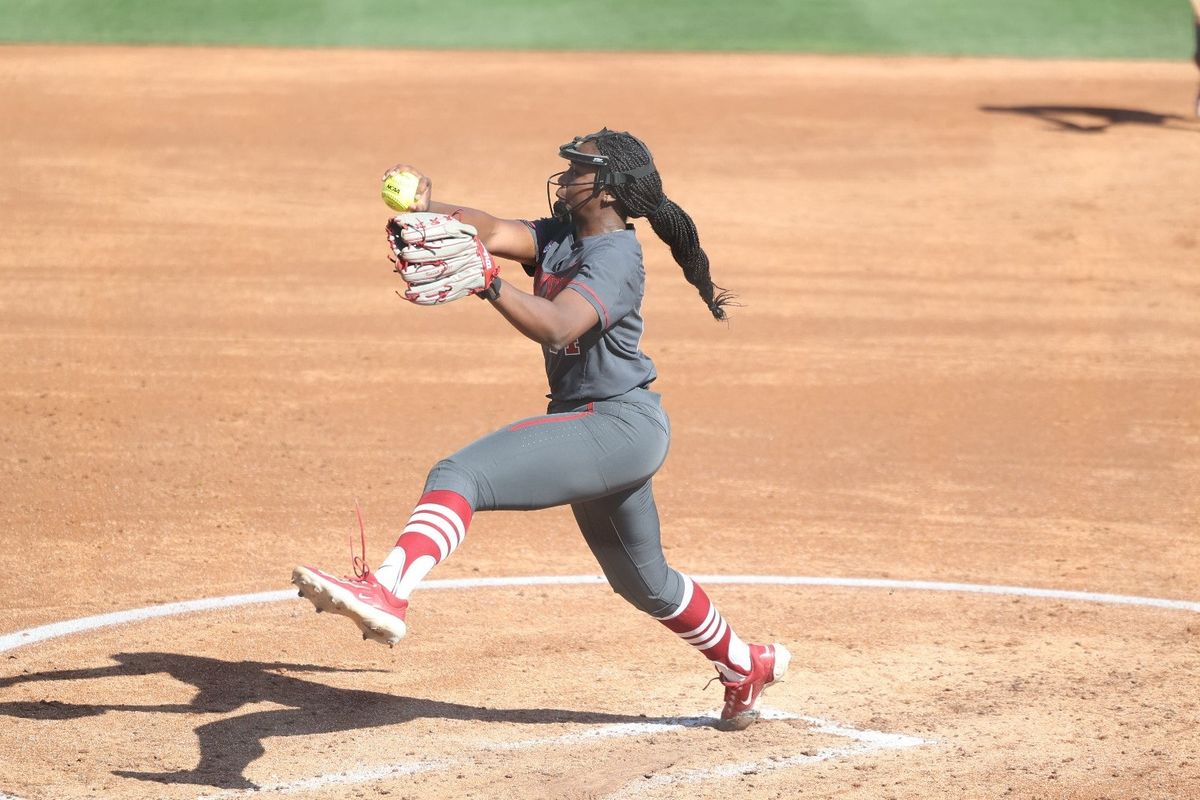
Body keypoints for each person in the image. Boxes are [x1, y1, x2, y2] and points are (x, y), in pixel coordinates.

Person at [292, 128, 790, 731]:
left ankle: (390, 588)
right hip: (596, 427)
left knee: (461, 473)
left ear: (606, 190)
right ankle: (744, 663)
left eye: (577, 170)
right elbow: (493, 228)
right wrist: (432, 208)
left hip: (617, 425)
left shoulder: (616, 258)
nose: (565, 177)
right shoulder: (559, 235)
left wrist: (490, 284)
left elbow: (558, 326)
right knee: (644, 583)